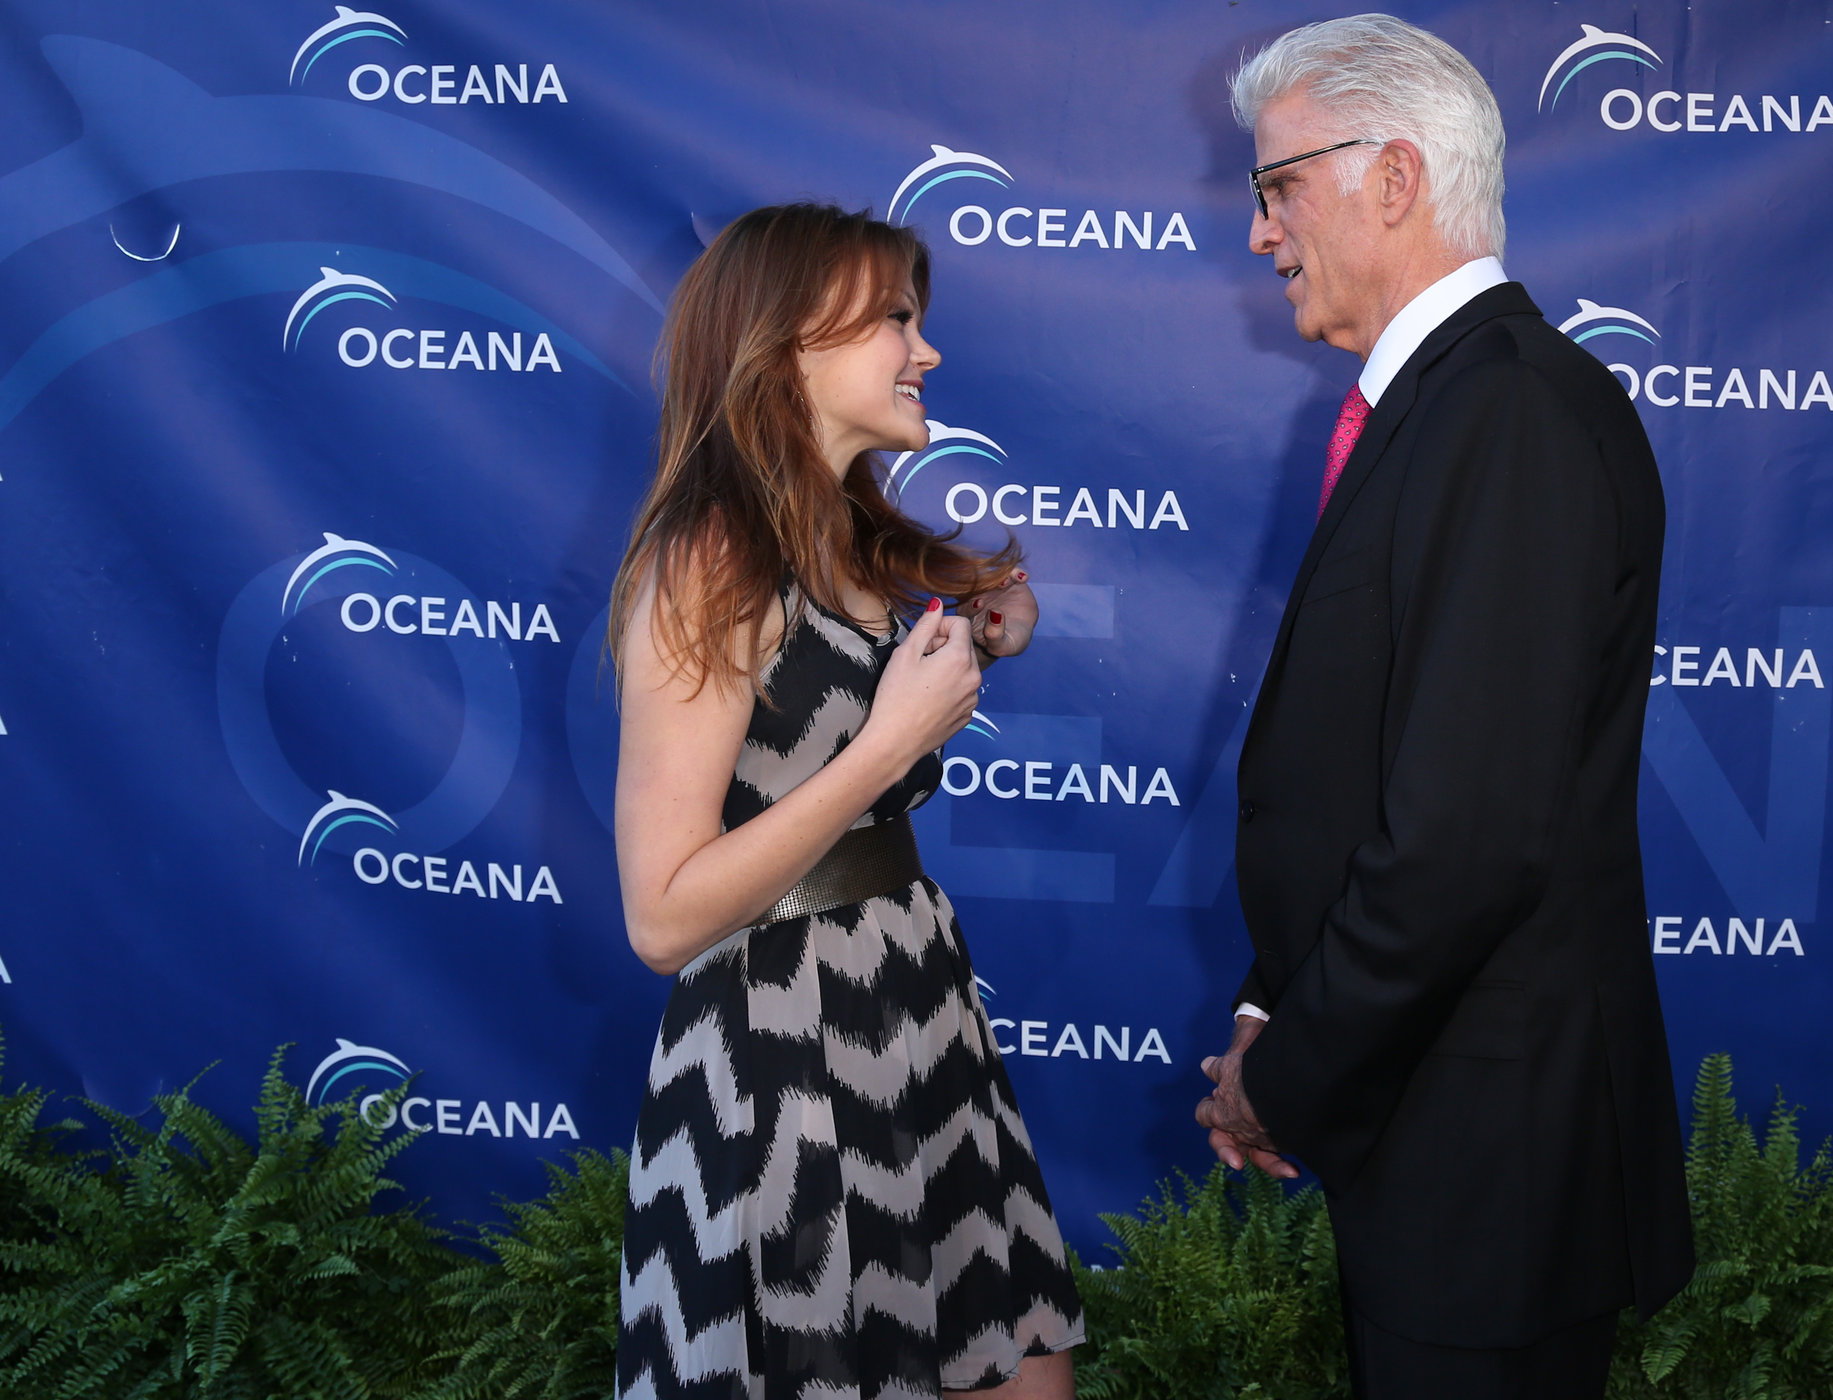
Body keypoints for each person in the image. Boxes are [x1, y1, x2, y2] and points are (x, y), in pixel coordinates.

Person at [1192, 17, 1694, 1400]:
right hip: (1435, 1134)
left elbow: (1464, 835)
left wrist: (1285, 1073)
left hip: (1488, 1165)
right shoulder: (1449, 405)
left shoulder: (1508, 412)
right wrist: (1271, 1007)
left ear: (1396, 176)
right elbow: (1367, 775)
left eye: (1278, 187)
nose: (1260, 231)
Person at [610, 204, 1084, 1400]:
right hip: (779, 1053)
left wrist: (984, 621)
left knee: (1022, 1367)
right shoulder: (711, 559)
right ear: (787, 344)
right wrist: (886, 748)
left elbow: (825, 702)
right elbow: (662, 915)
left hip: (914, 1005)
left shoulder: (848, 536)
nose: (927, 350)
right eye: (896, 320)